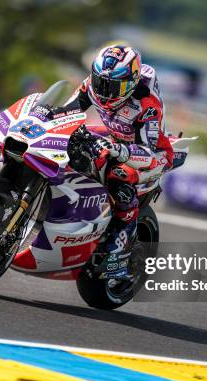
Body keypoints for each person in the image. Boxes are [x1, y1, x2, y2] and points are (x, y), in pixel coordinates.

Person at [54, 45, 181, 277]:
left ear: (131, 82)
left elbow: (148, 153)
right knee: (71, 146)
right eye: (101, 82)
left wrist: (119, 150)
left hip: (151, 155)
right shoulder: (94, 84)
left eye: (113, 86)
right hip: (113, 137)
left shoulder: (146, 105)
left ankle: (119, 247)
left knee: (118, 177)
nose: (104, 91)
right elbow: (66, 114)